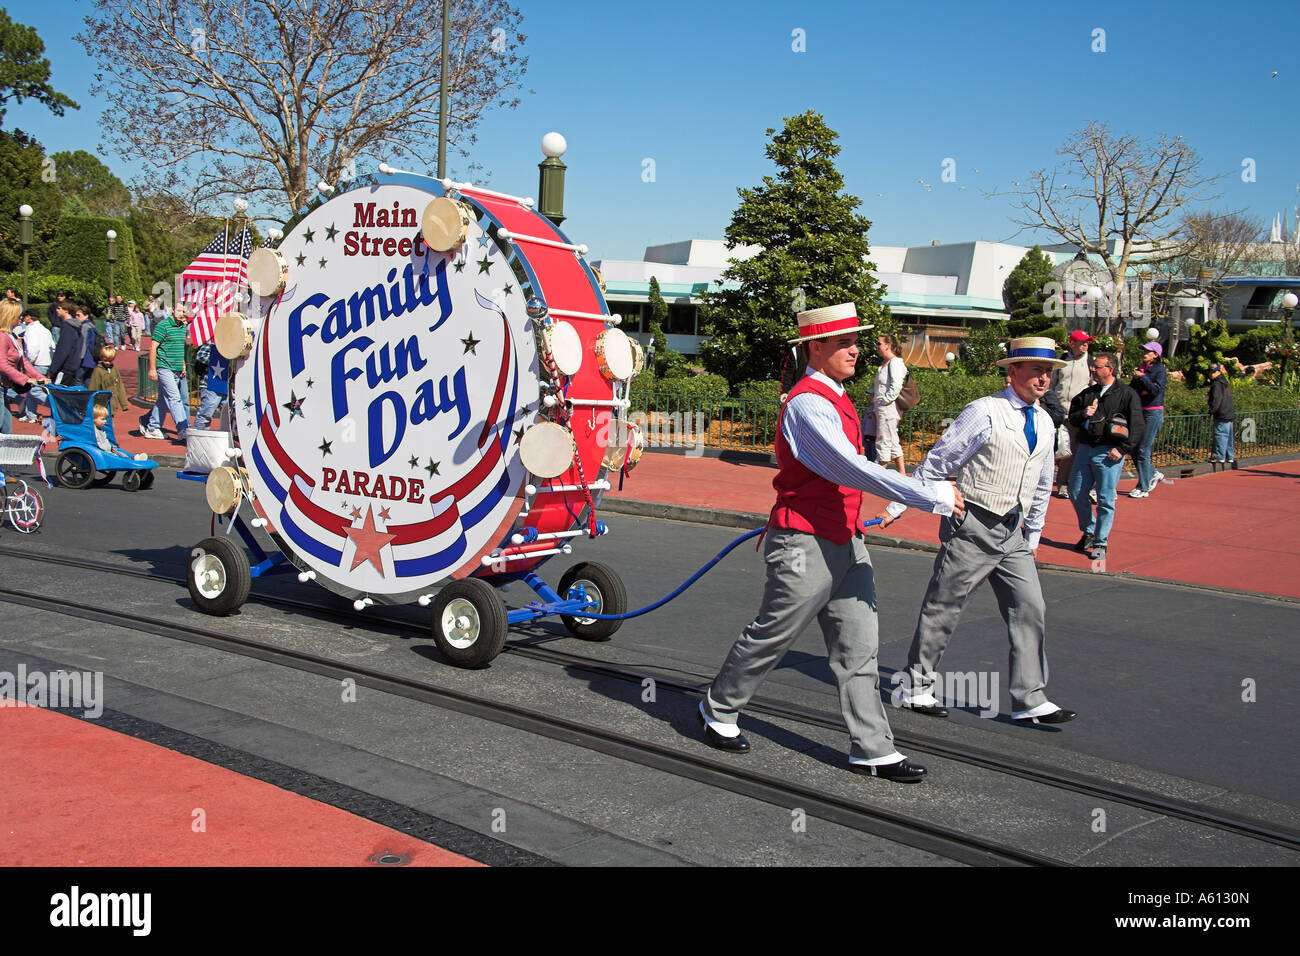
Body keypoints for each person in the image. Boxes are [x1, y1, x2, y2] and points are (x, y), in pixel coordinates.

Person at [699, 303, 962, 784]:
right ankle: (718, 706)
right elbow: (848, 468)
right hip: (802, 539)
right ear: (814, 347)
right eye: (843, 342)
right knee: (774, 633)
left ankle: (873, 748)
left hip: (845, 538)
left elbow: (855, 473)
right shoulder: (809, 403)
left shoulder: (836, 396)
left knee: (859, 646)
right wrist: (930, 495)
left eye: (856, 340)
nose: (855, 349)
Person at [878, 336, 1077, 727]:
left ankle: (1029, 698)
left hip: (1013, 531)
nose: (1043, 379)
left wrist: (1033, 536)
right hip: (973, 524)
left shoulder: (1045, 421)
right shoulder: (984, 412)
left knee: (1030, 608)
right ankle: (914, 687)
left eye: (1048, 372)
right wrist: (899, 503)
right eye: (1035, 369)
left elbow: (1039, 485)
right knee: (944, 607)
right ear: (1012, 371)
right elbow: (937, 461)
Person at [1067, 352, 1144, 562]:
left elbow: (1138, 425)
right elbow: (1072, 416)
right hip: (1086, 448)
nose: (1093, 370)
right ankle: (1089, 530)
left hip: (1109, 451)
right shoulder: (1088, 393)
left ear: (1110, 369)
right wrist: (1084, 414)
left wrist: (1123, 448)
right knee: (1075, 491)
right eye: (1093, 367)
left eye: (1097, 367)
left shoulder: (1126, 394)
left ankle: (1101, 541)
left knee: (1105, 498)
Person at [1050, 330, 1093, 498]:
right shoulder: (1062, 359)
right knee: (1053, 449)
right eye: (1081, 341)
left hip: (1078, 414)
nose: (1085, 344)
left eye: (1087, 342)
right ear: (1072, 343)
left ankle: (1064, 484)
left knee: (1071, 450)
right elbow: (1052, 383)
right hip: (1059, 411)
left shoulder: (1090, 361)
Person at [139, 304, 192, 442]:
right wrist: (152, 368)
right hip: (164, 367)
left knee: (163, 399)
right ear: (173, 311)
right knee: (175, 398)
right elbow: (153, 347)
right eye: (179, 310)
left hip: (177, 368)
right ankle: (183, 429)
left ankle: (152, 427)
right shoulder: (163, 326)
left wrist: (183, 364)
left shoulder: (182, 327)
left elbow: (179, 348)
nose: (182, 313)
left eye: (184, 311)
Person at [0, 300, 50, 431]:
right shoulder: (2, 337)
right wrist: (25, 379)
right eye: (18, 315)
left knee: (6, 430)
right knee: (3, 429)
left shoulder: (12, 336)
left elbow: (24, 362)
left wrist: (40, 377)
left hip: (4, 388)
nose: (21, 318)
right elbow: (2, 364)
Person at [1128, 342, 1167, 497]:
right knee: (1134, 448)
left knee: (1144, 449)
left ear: (1155, 355)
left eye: (1148, 351)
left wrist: (1143, 378)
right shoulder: (1140, 369)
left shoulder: (1159, 370)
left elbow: (1156, 390)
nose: (1144, 353)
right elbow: (1132, 390)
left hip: (1153, 413)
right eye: (1143, 350)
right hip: (1139, 412)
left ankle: (1143, 487)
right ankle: (1151, 473)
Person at [871, 332, 908, 474]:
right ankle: (902, 473)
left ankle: (880, 472)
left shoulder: (895, 363)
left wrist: (883, 402)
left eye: (879, 343)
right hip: (883, 408)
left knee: (884, 439)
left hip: (888, 408)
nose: (877, 346)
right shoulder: (885, 364)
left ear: (888, 346)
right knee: (892, 439)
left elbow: (896, 385)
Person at [47, 303, 97, 387]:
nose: (56, 310)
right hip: (75, 364)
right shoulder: (78, 326)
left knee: (59, 392)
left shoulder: (68, 326)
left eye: (59, 308)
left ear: (66, 311)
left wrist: (52, 370)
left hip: (67, 367)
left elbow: (63, 350)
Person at [17, 312, 53, 422]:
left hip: (37, 363)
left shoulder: (30, 330)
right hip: (46, 362)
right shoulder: (45, 330)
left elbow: (32, 349)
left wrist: (29, 363)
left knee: (34, 391)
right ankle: (31, 414)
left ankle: (56, 406)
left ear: (28, 317)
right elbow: (53, 346)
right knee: (30, 389)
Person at [192, 347, 229, 430]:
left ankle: (227, 438)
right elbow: (200, 356)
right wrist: (220, 359)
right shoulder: (212, 344)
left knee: (228, 415)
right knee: (206, 414)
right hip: (210, 384)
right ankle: (199, 437)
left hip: (225, 385)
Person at [87, 345, 130, 415]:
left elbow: (119, 386)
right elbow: (94, 387)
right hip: (101, 404)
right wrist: (92, 404)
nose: (107, 363)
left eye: (110, 360)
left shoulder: (114, 369)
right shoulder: (98, 371)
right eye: (105, 360)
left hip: (113, 403)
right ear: (101, 358)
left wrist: (124, 404)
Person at [1208, 362, 1235, 469]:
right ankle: (1229, 456)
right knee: (1228, 435)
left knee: (1220, 434)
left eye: (1213, 372)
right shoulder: (1224, 382)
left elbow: (1216, 399)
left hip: (1222, 413)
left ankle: (1219, 456)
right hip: (1229, 412)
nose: (1211, 374)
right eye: (1210, 371)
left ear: (1218, 371)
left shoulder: (1217, 384)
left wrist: (1212, 410)